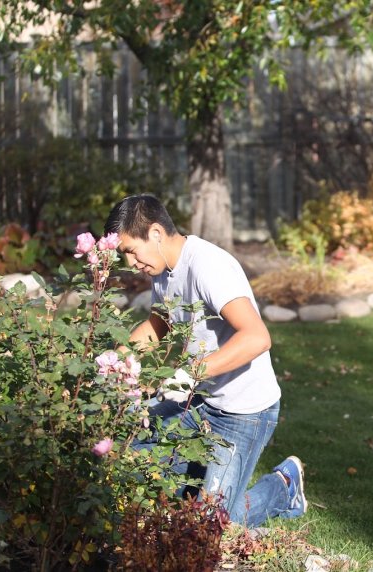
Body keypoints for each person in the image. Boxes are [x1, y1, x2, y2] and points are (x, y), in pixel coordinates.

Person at [104, 194, 306, 528]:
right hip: (199, 401)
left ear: (155, 233)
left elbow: (257, 337)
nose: (129, 262)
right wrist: (116, 360)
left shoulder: (208, 266)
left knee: (207, 526)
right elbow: (160, 322)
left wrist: (188, 374)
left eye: (129, 250)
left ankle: (283, 488)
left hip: (244, 414)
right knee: (129, 445)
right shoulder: (164, 269)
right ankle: (197, 484)